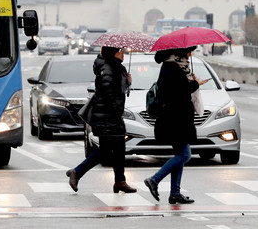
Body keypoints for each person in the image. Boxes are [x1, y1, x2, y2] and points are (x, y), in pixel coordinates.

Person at [66, 46, 137, 194]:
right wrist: (116, 110)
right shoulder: (109, 68)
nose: (123, 53)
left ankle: (120, 181)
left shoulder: (115, 67)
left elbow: (117, 89)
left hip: (111, 115)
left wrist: (127, 82)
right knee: (106, 151)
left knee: (118, 149)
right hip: (108, 116)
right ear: (114, 52)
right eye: (120, 50)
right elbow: (108, 91)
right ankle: (77, 172)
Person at [143, 46, 208, 204]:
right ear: (181, 51)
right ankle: (154, 179)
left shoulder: (177, 65)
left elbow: (180, 89)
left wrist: (191, 81)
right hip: (175, 118)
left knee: (180, 154)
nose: (190, 54)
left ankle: (175, 193)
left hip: (177, 118)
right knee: (185, 155)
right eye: (189, 51)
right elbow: (176, 93)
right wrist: (195, 84)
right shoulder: (171, 67)